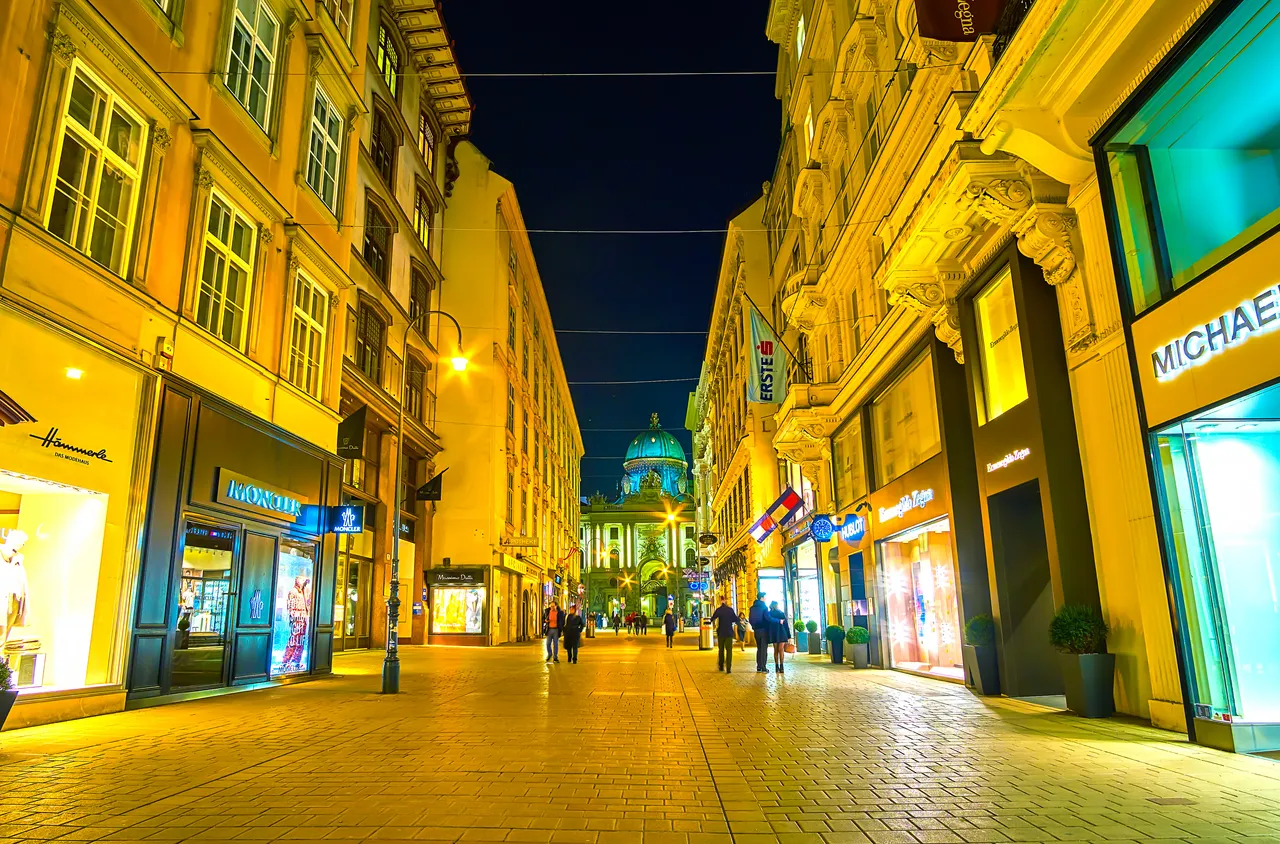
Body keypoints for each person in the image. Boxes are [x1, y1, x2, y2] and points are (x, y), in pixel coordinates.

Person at [710, 596, 740, 672]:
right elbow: (735, 619)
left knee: (721, 650)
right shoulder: (730, 610)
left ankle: (721, 666)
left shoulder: (719, 610)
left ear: (720, 601)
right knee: (729, 650)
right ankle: (729, 668)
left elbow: (713, 618)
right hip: (729, 632)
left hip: (721, 633)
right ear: (726, 600)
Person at [748, 592, 771, 673]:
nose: (765, 599)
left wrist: (754, 627)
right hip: (764, 630)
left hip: (756, 631)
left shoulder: (752, 608)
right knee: (764, 649)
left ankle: (759, 666)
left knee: (759, 648)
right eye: (765, 597)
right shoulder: (764, 607)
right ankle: (764, 667)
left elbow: (750, 619)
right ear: (761, 598)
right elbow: (767, 618)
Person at [768, 601, 791, 674]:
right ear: (777, 605)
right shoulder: (781, 613)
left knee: (775, 650)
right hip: (782, 632)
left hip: (773, 633)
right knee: (781, 650)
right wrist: (789, 636)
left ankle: (776, 666)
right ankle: (782, 666)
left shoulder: (769, 614)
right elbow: (786, 625)